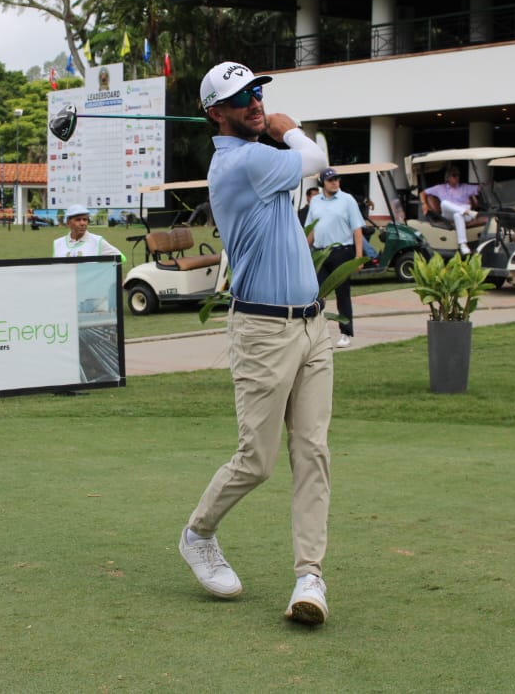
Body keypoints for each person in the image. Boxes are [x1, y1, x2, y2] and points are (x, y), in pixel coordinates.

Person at [179, 61, 333, 626]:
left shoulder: (256, 155)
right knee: (258, 461)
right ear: (217, 114)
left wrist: (274, 128)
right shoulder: (241, 162)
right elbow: (316, 159)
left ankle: (309, 576)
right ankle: (198, 535)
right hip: (263, 331)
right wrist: (287, 127)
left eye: (258, 93)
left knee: (312, 450)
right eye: (242, 98)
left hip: (313, 326)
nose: (255, 102)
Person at [305, 168, 364, 348]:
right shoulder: (315, 201)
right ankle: (315, 332)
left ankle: (346, 332)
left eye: (337, 179)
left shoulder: (347, 200)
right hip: (320, 252)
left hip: (342, 251)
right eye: (331, 180)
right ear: (323, 182)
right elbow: (312, 228)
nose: (335, 182)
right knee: (314, 293)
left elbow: (357, 229)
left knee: (342, 293)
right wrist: (304, 252)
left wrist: (358, 256)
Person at [423, 166, 481, 255]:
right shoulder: (440, 188)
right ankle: (467, 212)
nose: (457, 177)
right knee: (444, 203)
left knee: (458, 215)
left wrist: (488, 184)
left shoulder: (464, 187)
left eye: (458, 175)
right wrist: (425, 204)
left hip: (464, 214)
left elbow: (478, 188)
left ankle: (463, 245)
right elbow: (423, 193)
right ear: (448, 178)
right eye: (454, 175)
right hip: (449, 213)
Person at [52, 204, 124, 260]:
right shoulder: (58, 243)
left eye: (85, 219)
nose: (82, 223)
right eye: (78, 220)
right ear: (68, 223)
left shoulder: (98, 241)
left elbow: (121, 258)